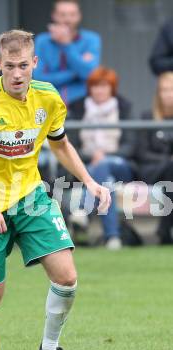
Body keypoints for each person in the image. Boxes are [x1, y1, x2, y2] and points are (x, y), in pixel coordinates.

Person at [0, 30, 111, 350]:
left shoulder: (47, 98)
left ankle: (50, 348)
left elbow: (60, 143)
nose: (17, 74)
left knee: (67, 277)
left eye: (23, 65)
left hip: (31, 196)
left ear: (34, 63)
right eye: (9, 66)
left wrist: (89, 181)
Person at [68, 66, 137, 249]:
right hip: (87, 165)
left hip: (120, 164)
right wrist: (93, 156)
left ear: (112, 88)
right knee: (104, 177)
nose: (99, 90)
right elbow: (70, 145)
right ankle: (112, 237)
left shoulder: (124, 107)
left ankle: (82, 210)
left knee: (103, 165)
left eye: (104, 86)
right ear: (89, 88)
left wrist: (104, 155)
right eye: (95, 86)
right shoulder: (77, 107)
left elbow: (130, 145)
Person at [33, 0, 101, 105]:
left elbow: (90, 75)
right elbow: (38, 78)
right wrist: (75, 73)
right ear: (54, 16)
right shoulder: (43, 41)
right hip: (48, 102)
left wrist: (67, 45)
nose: (67, 19)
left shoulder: (91, 39)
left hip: (81, 103)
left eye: (72, 14)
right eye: (62, 14)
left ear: (79, 16)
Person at [137, 72, 173, 244]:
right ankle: (165, 230)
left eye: (171, 90)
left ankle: (164, 228)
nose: (168, 94)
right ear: (158, 93)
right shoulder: (147, 117)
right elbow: (142, 153)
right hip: (151, 170)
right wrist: (167, 160)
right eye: (164, 90)